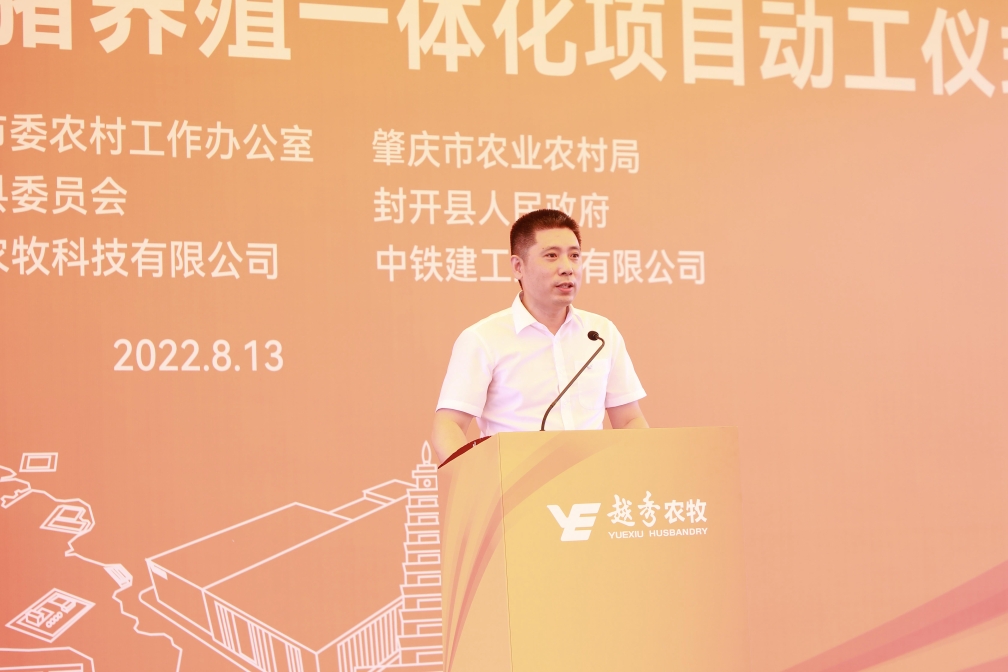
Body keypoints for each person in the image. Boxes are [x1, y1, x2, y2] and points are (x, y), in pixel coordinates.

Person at [430, 209, 648, 462]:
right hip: (516, 482)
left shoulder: (600, 334)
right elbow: (449, 425)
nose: (567, 268)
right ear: (518, 267)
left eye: (574, 256)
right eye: (551, 256)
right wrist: (477, 477)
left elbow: (629, 420)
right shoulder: (483, 339)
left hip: (593, 478)